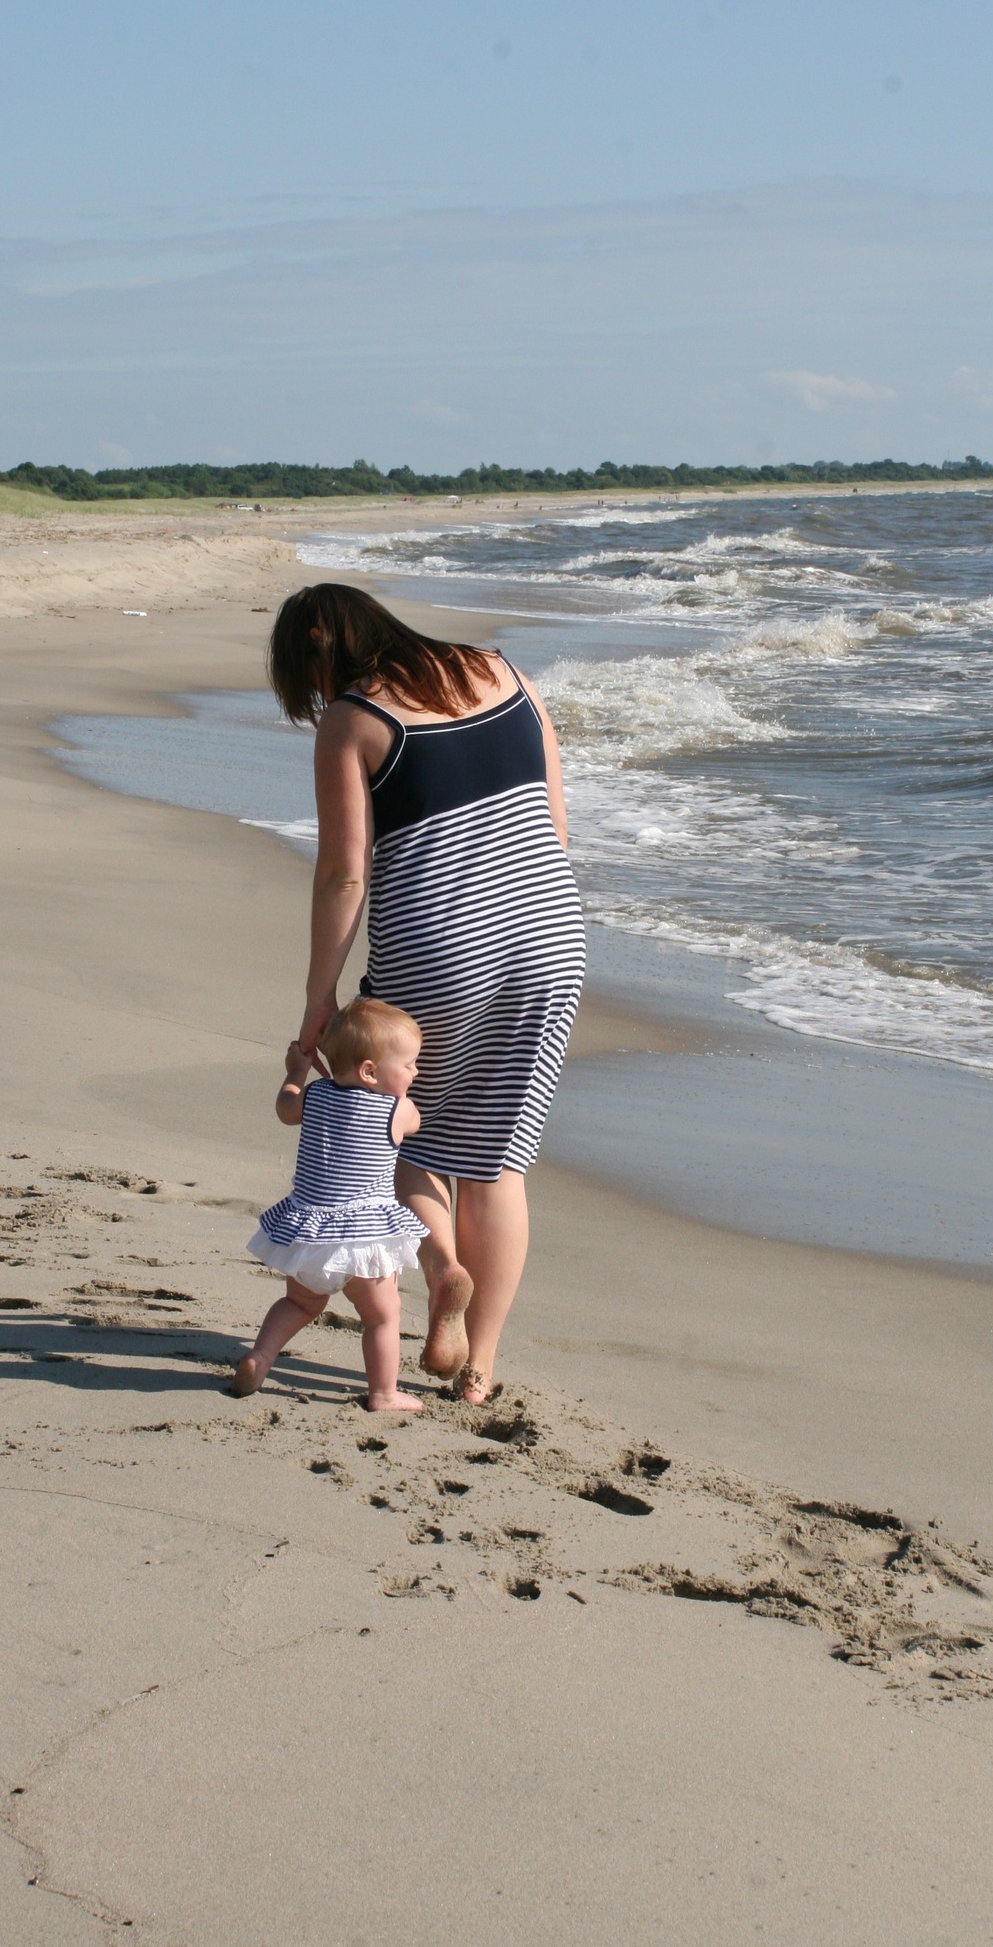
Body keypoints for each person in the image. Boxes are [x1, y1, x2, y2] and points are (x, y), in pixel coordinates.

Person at [267, 581, 585, 1405]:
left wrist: (318, 1001)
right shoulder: (502, 670)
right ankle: (479, 1369)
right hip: (550, 935)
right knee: (497, 1162)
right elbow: (555, 823)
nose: (317, 698)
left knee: (405, 1138)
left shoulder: (354, 720)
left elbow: (344, 875)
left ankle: (442, 1268)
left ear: (318, 648)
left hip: (437, 948)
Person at [235, 996, 428, 1412]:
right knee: (382, 1316)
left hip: (310, 1236)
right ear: (370, 1072)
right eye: (409, 1064)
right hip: (363, 1240)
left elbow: (285, 1109)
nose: (416, 1072)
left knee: (299, 1303)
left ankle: (260, 1357)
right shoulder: (397, 1109)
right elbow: (415, 1122)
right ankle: (383, 1393)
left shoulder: (316, 1095)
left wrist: (296, 1071)